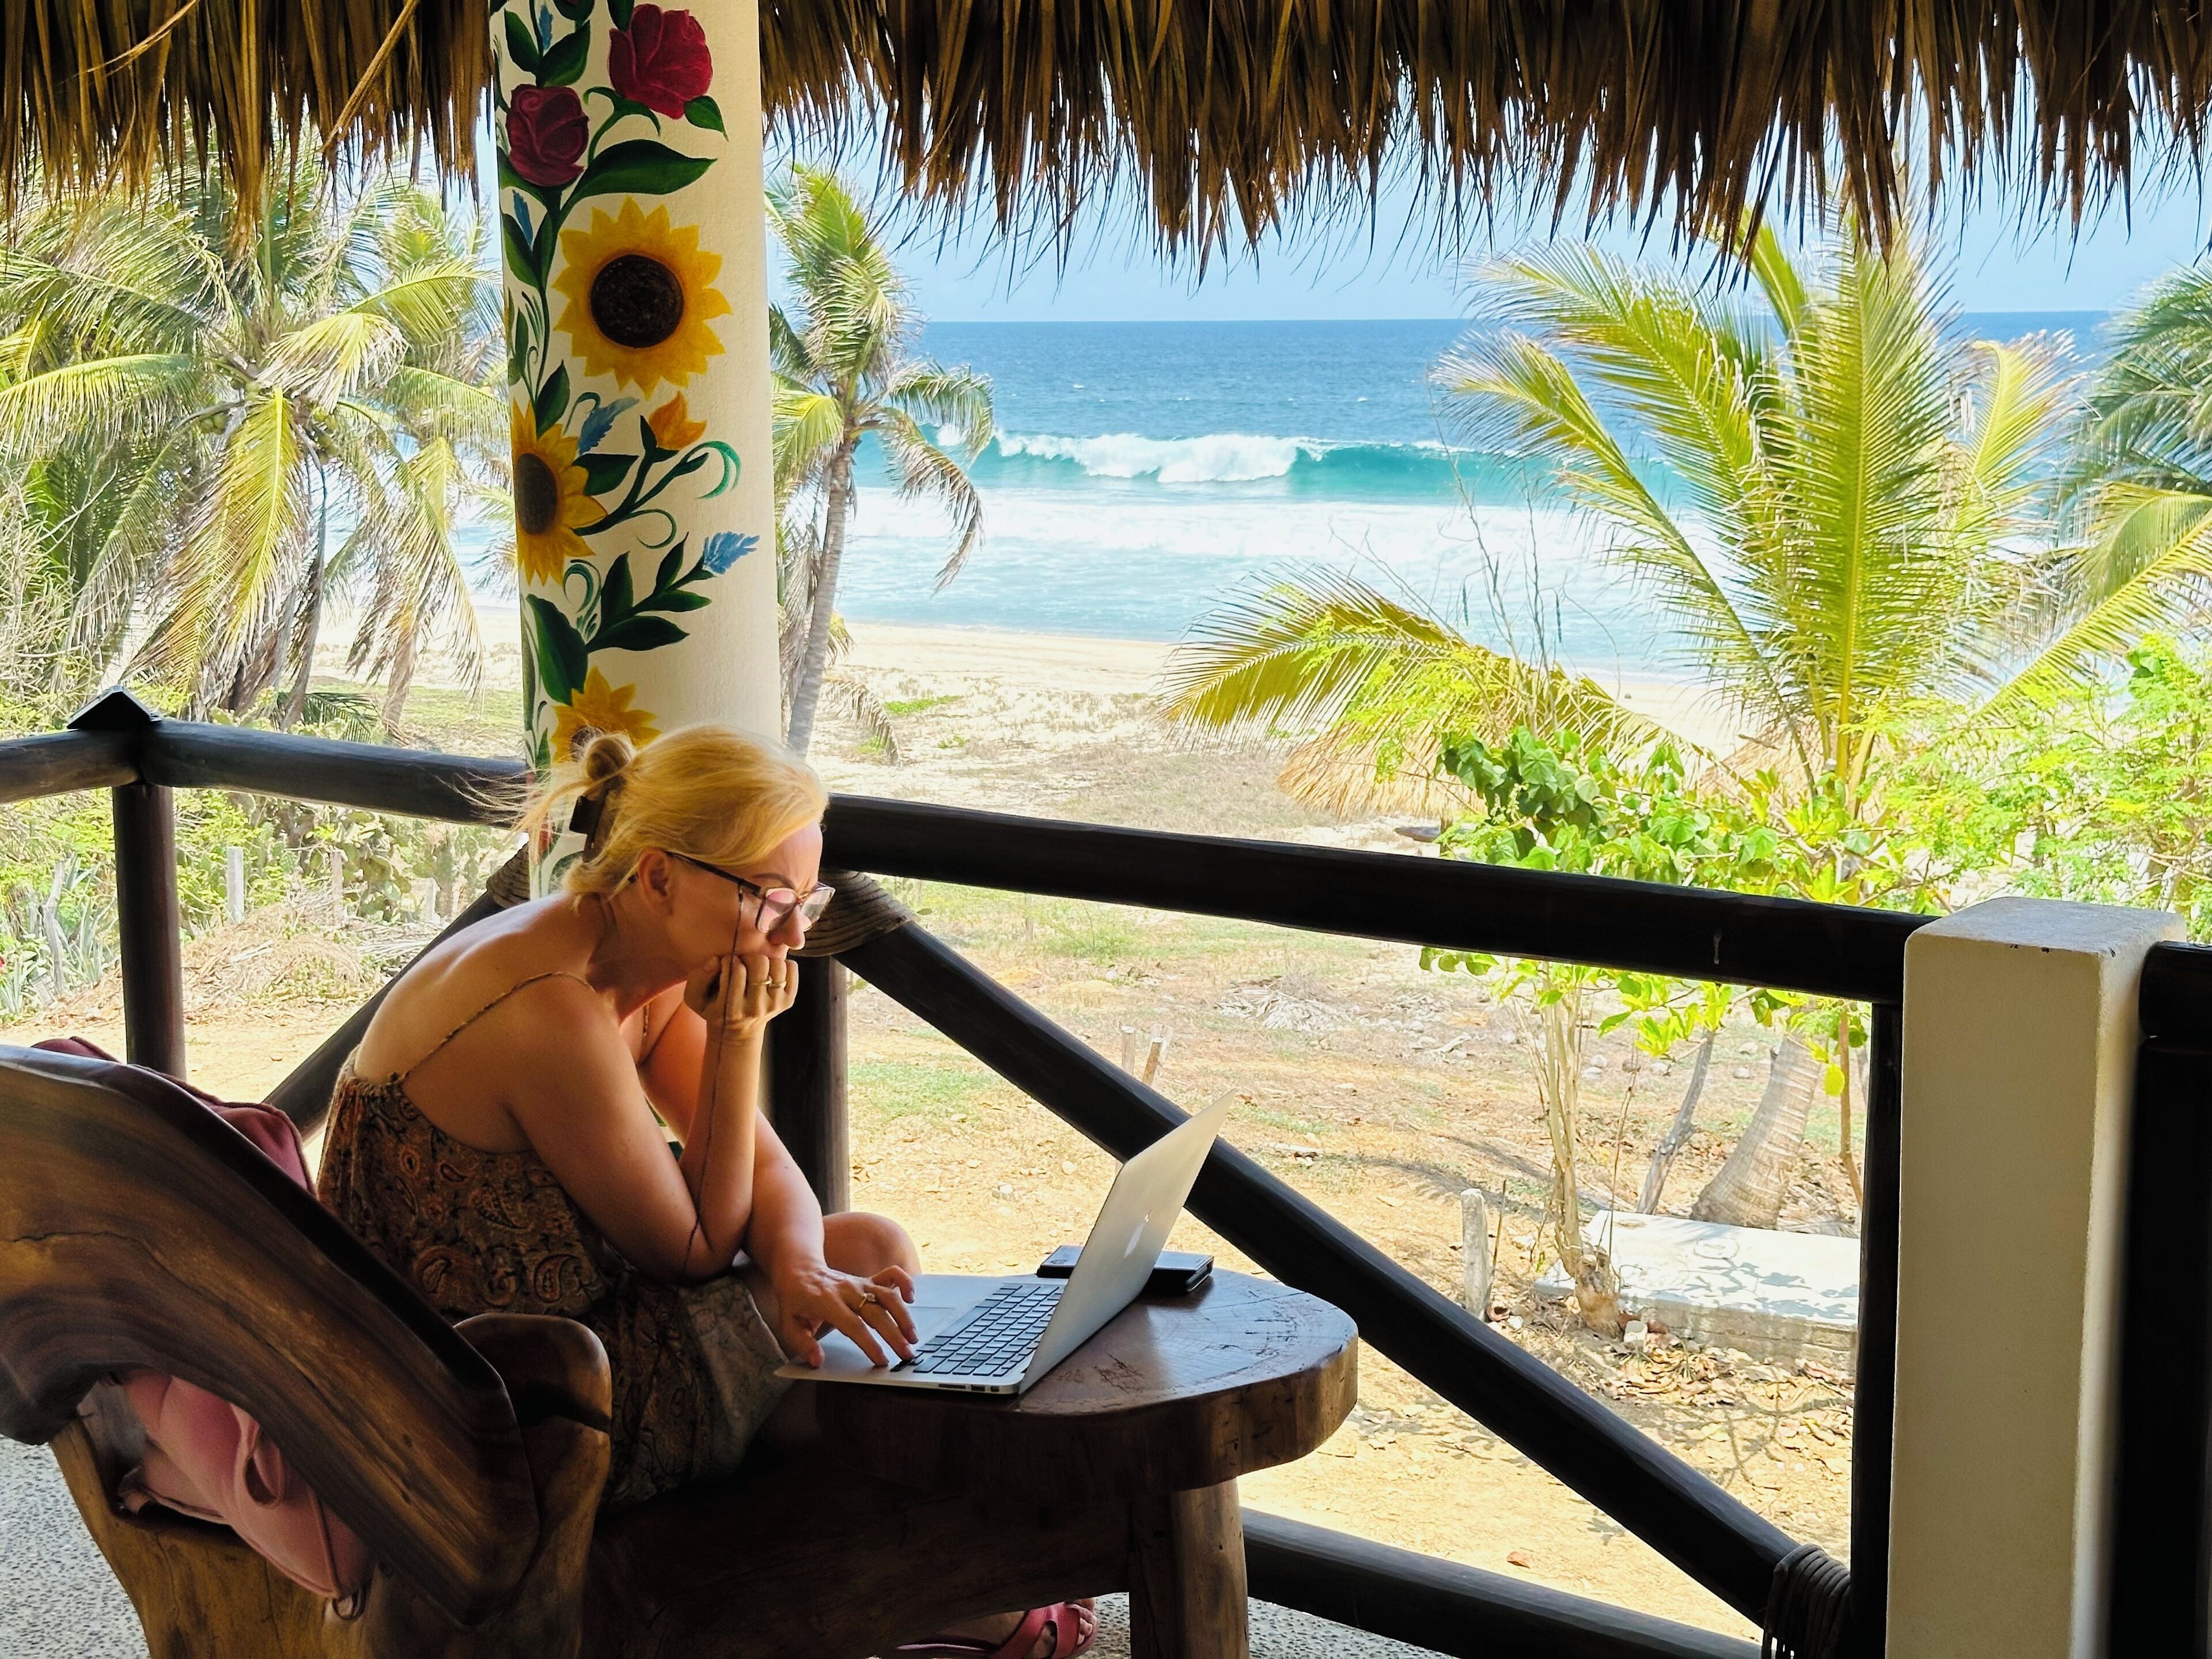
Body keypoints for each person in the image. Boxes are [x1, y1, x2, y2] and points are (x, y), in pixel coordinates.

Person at [317, 724, 1092, 1658]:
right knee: (849, 1345)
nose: (796, 936)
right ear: (659, 877)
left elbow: (767, 1172)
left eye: (808, 900)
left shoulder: (622, 950)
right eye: (771, 900)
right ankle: (894, 1592)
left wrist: (800, 1268)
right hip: (502, 1410)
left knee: (864, 1250)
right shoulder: (548, 1005)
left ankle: (888, 1584)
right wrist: (737, 1039)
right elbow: (690, 1253)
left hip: (569, 1331)